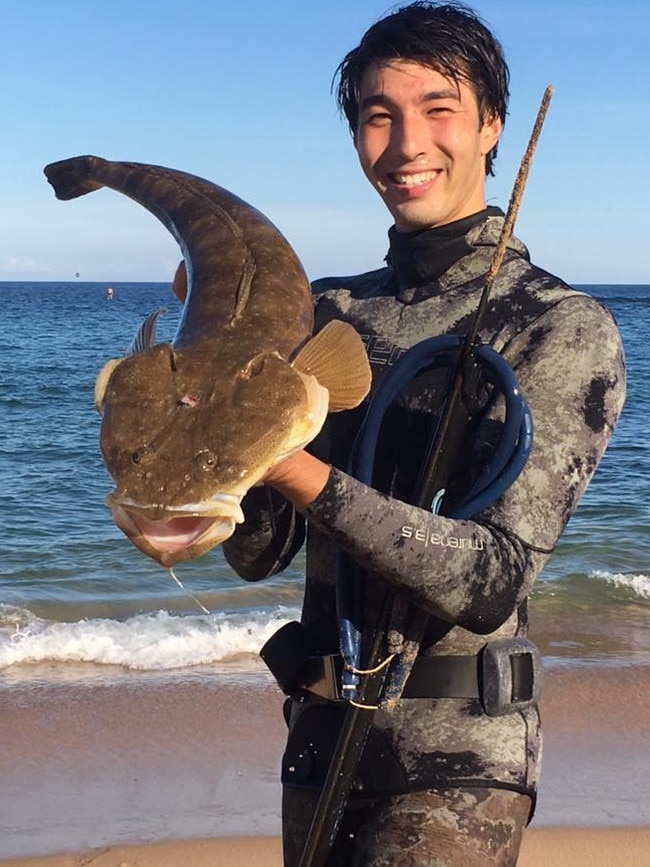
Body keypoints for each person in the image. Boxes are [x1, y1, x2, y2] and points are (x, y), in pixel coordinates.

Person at [223, 2, 626, 864]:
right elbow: (257, 550)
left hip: (462, 755)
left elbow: (491, 577)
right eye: (379, 115)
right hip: (320, 738)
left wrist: (299, 472)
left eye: (438, 109)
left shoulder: (558, 326)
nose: (407, 143)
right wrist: (205, 443)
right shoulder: (323, 312)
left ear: (491, 127)